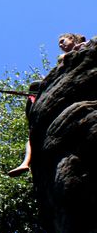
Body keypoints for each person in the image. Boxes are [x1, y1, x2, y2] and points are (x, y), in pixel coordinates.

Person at [7, 34, 89, 177]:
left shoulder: (84, 47)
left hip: (77, 89)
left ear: (72, 39)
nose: (61, 45)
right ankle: (26, 163)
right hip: (61, 93)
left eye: (63, 41)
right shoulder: (62, 59)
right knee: (32, 134)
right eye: (59, 44)